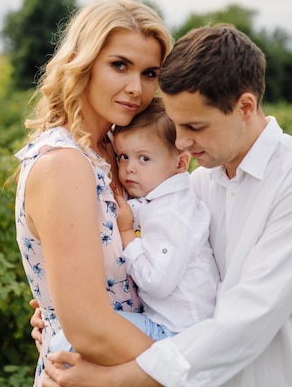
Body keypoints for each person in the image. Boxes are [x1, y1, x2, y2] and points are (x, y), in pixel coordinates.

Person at [39, 23, 292, 387]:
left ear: (245, 107)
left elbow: (247, 323)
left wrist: (111, 379)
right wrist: (69, 318)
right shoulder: (198, 183)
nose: (183, 144)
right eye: (175, 126)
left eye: (195, 126)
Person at [13, 0, 173, 387]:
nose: (136, 88)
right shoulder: (64, 163)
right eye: (119, 65)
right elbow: (87, 327)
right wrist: (188, 373)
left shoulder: (123, 153)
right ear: (82, 63)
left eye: (150, 73)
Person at [49, 99, 220, 353]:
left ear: (181, 163)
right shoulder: (158, 200)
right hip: (172, 327)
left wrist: (128, 232)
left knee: (66, 343)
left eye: (144, 158)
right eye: (124, 156)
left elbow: (156, 281)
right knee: (71, 336)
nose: (129, 168)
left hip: (178, 333)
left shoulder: (172, 213)